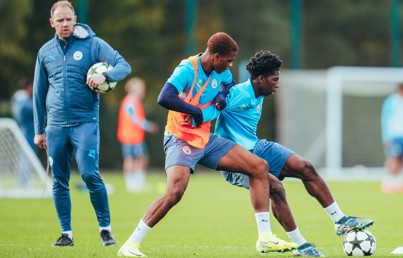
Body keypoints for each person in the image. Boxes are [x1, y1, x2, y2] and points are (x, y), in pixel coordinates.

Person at [117, 32, 295, 257]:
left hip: (205, 138)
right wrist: (195, 112)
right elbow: (164, 97)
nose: (230, 65)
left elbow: (228, 84)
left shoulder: (222, 71)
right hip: (180, 137)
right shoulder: (187, 69)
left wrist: (222, 94)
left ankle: (265, 237)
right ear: (216, 56)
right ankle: (131, 244)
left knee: (258, 167)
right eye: (229, 60)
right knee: (175, 193)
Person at [214, 50, 375, 257]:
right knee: (276, 188)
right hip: (235, 158)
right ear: (261, 79)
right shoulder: (237, 94)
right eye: (275, 79)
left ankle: (340, 221)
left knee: (305, 167)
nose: (277, 84)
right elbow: (214, 102)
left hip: (257, 147)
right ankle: (301, 246)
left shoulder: (259, 92)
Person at [33, 0, 131, 247]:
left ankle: (105, 229)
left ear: (75, 19)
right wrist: (39, 130)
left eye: (69, 19)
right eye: (60, 20)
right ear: (51, 22)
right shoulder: (45, 52)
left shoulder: (93, 44)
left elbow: (124, 66)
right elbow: (38, 92)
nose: (65, 24)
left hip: (84, 122)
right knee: (59, 180)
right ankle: (66, 234)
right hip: (55, 126)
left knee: (89, 174)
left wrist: (104, 75)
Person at [117, 77, 159, 193]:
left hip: (135, 136)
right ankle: (132, 185)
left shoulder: (133, 102)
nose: (143, 91)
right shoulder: (130, 102)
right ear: (135, 89)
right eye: (141, 89)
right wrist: (148, 126)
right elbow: (135, 119)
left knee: (141, 159)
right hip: (131, 136)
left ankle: (138, 184)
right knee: (131, 159)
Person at [11, 78, 35, 187]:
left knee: (25, 158)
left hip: (26, 132)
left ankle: (24, 181)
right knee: (25, 158)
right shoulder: (23, 101)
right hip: (27, 133)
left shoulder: (18, 100)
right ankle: (24, 182)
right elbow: (27, 114)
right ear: (28, 87)